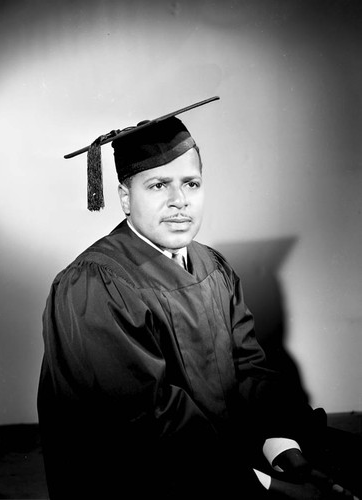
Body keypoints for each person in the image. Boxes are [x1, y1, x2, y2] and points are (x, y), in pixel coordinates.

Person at [37, 97, 360, 499]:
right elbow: (143, 424)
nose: (180, 201)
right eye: (158, 185)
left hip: (223, 466)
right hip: (142, 482)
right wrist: (273, 486)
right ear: (124, 198)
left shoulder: (213, 267)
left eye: (191, 183)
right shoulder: (94, 285)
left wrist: (283, 452)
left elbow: (250, 372)